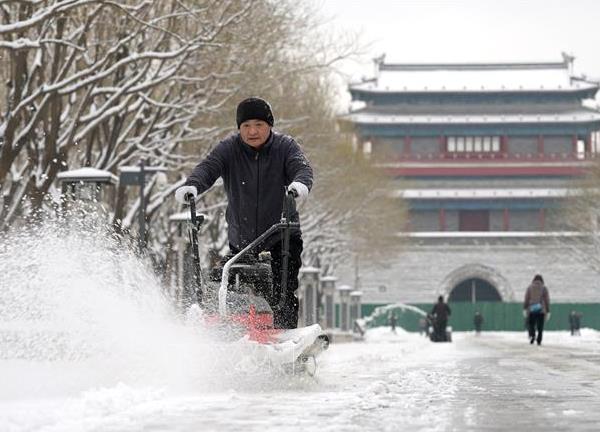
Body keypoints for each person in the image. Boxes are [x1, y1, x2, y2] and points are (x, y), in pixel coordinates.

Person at [175, 97, 313, 328]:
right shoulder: (229, 148)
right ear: (239, 128)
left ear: (269, 125)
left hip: (282, 237)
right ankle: (229, 330)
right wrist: (192, 185)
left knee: (283, 291)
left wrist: (300, 186)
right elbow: (208, 167)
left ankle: (283, 334)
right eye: (246, 126)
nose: (252, 131)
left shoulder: (286, 147)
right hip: (243, 240)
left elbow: (302, 168)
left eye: (259, 125)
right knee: (222, 284)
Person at [523, 274, 551, 346]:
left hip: (531, 309)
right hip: (541, 310)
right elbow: (547, 300)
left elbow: (526, 298)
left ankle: (532, 335)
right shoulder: (544, 288)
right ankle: (539, 339)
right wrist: (547, 310)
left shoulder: (529, 288)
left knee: (531, 324)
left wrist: (525, 308)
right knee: (540, 326)